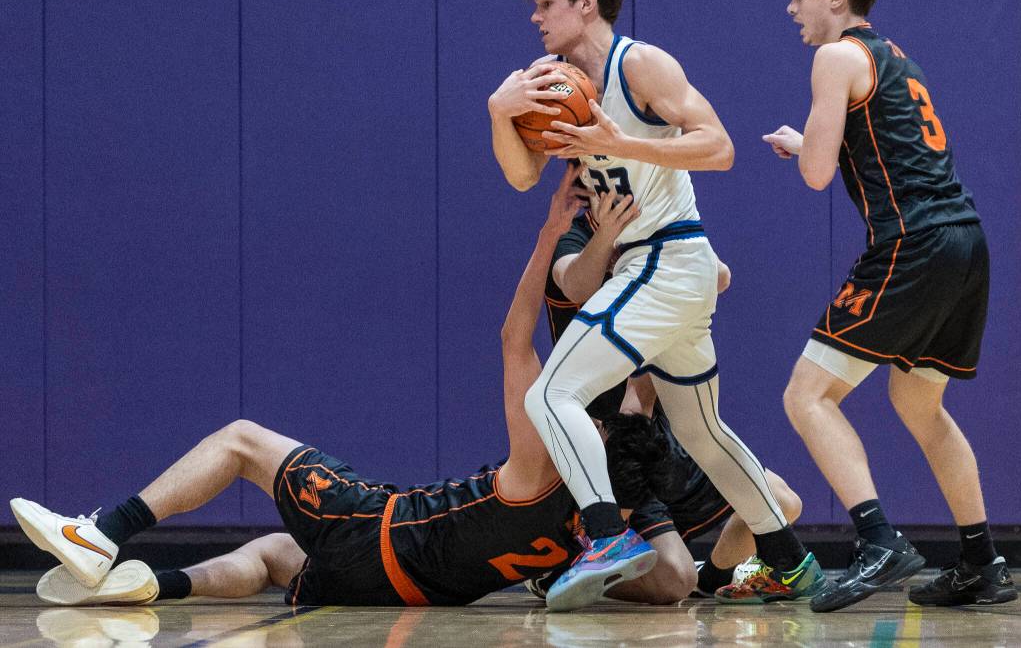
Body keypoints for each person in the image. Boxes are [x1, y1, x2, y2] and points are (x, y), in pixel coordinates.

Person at [9, 166, 691, 609]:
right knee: (275, 556)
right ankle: (156, 583)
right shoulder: (592, 535)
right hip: (398, 593)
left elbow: (515, 339)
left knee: (243, 439)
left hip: (374, 529)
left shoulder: (544, 458)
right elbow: (671, 579)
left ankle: (106, 532)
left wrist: (550, 230)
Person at [488, 0, 823, 610]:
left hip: (666, 256)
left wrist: (618, 143)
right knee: (703, 431)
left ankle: (607, 537)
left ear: (588, 4)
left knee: (551, 394)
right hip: (665, 269)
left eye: (546, 3)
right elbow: (524, 176)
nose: (535, 17)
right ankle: (790, 559)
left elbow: (720, 147)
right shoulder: (551, 80)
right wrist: (500, 112)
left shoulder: (639, 63)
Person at [764, 0, 1017, 611]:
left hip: (915, 242)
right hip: (966, 240)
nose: (792, 8)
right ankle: (981, 559)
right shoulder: (892, 55)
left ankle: (878, 538)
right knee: (918, 403)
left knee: (806, 394)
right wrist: (807, 139)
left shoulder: (834, 56)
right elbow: (866, 139)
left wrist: (804, 147)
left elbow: (820, 171)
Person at [539, 191, 804, 600]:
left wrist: (679, 245)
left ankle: (715, 580)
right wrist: (610, 236)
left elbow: (720, 275)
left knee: (783, 503)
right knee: (673, 581)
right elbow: (573, 286)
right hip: (606, 440)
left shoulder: (659, 229)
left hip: (656, 432)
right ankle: (560, 568)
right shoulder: (575, 242)